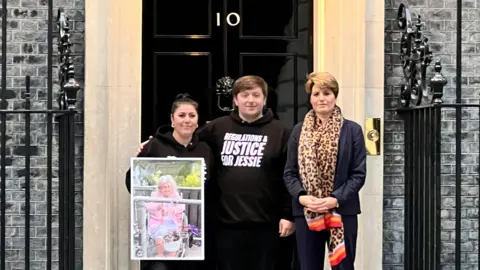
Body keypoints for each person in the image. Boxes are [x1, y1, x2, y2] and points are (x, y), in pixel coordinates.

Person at [137, 75, 296, 270]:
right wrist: (155, 144)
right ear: (235, 100)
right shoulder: (217, 127)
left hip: (267, 226)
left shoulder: (281, 132)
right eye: (245, 95)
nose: (251, 100)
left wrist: (288, 214)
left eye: (256, 95)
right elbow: (185, 139)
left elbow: (290, 174)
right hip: (225, 226)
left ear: (264, 99)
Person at [283, 72, 366, 270]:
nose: (321, 98)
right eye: (316, 93)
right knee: (309, 266)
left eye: (327, 93)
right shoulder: (298, 130)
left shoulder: (352, 130)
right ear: (310, 98)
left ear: (335, 96)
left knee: (343, 266)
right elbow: (289, 172)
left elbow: (358, 173)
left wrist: (335, 199)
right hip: (307, 211)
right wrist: (302, 197)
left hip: (342, 210)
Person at [125, 94, 216, 270]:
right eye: (181, 115)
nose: (187, 120)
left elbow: (212, 185)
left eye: (192, 116)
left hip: (187, 223)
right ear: (172, 119)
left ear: (198, 121)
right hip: (157, 222)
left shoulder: (206, 150)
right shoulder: (154, 146)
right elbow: (132, 180)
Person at [145, 175, 186, 258]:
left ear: (172, 187)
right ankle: (160, 254)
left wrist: (173, 210)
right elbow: (148, 206)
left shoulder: (175, 195)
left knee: (172, 237)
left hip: (172, 222)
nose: (166, 189)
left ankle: (172, 255)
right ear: (160, 188)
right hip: (158, 223)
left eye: (168, 187)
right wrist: (158, 206)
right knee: (159, 236)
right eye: (164, 187)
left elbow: (182, 207)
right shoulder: (155, 195)